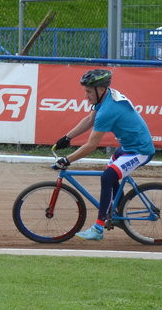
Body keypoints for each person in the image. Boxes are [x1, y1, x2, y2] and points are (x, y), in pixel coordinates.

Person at [52, 69, 155, 241]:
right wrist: (67, 138)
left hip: (140, 150)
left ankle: (98, 228)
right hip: (128, 147)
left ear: (100, 89)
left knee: (107, 177)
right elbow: (89, 119)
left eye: (88, 92)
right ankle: (118, 212)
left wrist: (67, 160)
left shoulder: (109, 109)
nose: (86, 96)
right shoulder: (105, 97)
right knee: (111, 174)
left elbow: (91, 145)